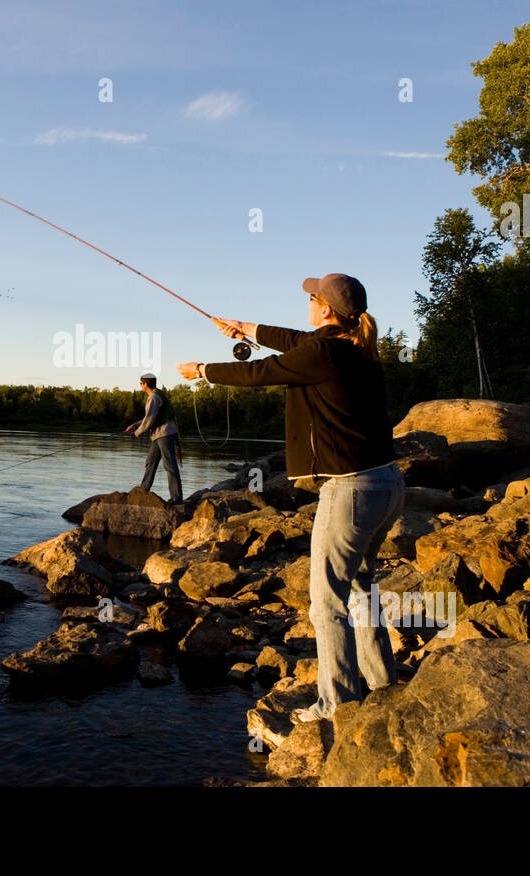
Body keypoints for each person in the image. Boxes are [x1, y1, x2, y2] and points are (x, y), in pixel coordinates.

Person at [176, 273, 403, 724]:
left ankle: (336, 702)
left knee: (326, 603)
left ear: (323, 309)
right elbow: (295, 340)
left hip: (351, 491)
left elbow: (260, 372)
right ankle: (382, 685)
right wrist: (245, 328)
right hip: (387, 485)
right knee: (359, 589)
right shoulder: (354, 347)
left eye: (312, 297)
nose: (307, 302)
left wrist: (202, 371)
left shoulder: (320, 353)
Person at [124, 372, 184, 505]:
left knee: (169, 465)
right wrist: (135, 425)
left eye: (140, 383)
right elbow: (150, 417)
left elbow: (149, 420)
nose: (140, 385)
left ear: (145, 384)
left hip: (164, 434)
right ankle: (144, 489)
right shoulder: (156, 395)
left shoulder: (154, 397)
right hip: (159, 434)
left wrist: (137, 433)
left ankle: (176, 497)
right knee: (150, 462)